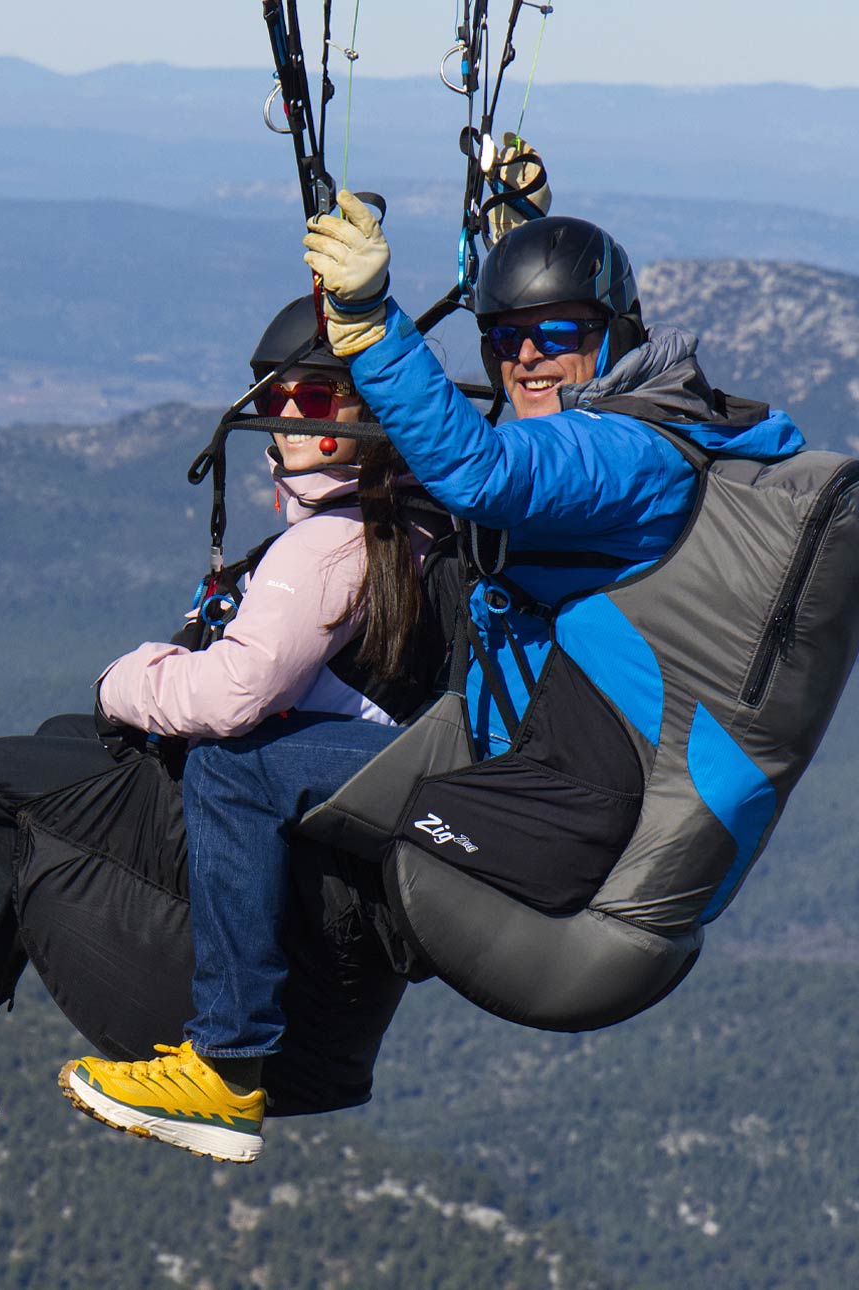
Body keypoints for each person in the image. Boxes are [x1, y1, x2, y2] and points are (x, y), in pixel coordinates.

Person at [63, 146, 812, 1162]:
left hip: (558, 805)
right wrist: (507, 242)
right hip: (547, 772)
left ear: (620, 336)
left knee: (240, 765)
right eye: (506, 340)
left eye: (560, 336)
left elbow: (482, 466)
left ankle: (225, 1065)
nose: (525, 359)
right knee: (293, 742)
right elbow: (524, 427)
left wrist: (368, 323)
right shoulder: (641, 426)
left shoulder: (629, 453)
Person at [0, 301, 435, 1144]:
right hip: (310, 828)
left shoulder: (329, 546)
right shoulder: (411, 517)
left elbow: (232, 696)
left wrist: (127, 680)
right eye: (279, 395)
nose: (287, 416)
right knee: (60, 740)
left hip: (259, 832)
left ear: (373, 414)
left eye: (316, 400)